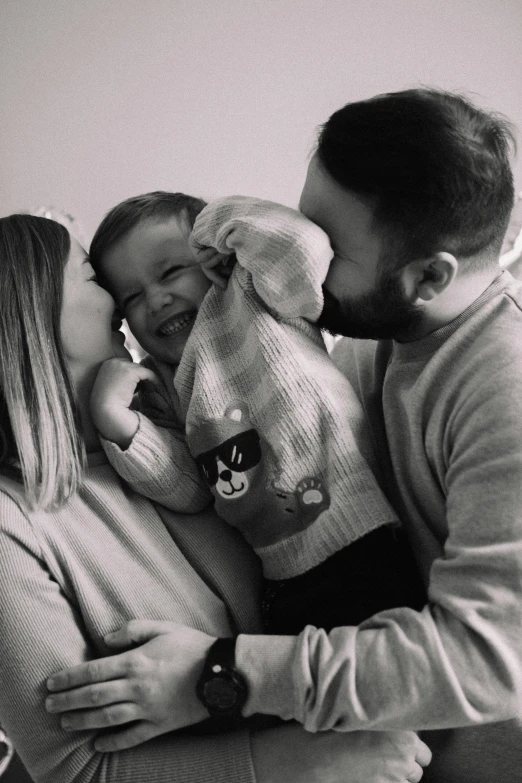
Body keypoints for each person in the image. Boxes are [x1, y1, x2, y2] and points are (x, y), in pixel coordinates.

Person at [46, 88, 522, 783]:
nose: (302, 251)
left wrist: (219, 673)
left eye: (330, 245)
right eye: (303, 223)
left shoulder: (502, 388)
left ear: (427, 275)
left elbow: (488, 661)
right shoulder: (368, 343)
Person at [0, 213, 430, 783]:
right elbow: (75, 770)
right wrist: (303, 761)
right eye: (95, 278)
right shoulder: (13, 526)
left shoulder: (177, 428)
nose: (130, 306)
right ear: (34, 312)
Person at [84, 191, 425, 635]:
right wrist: (120, 423)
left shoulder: (253, 293)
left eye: (170, 272)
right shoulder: (158, 383)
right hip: (281, 577)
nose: (157, 300)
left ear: (211, 257)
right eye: (131, 298)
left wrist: (215, 226)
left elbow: (303, 248)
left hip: (363, 534)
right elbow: (190, 490)